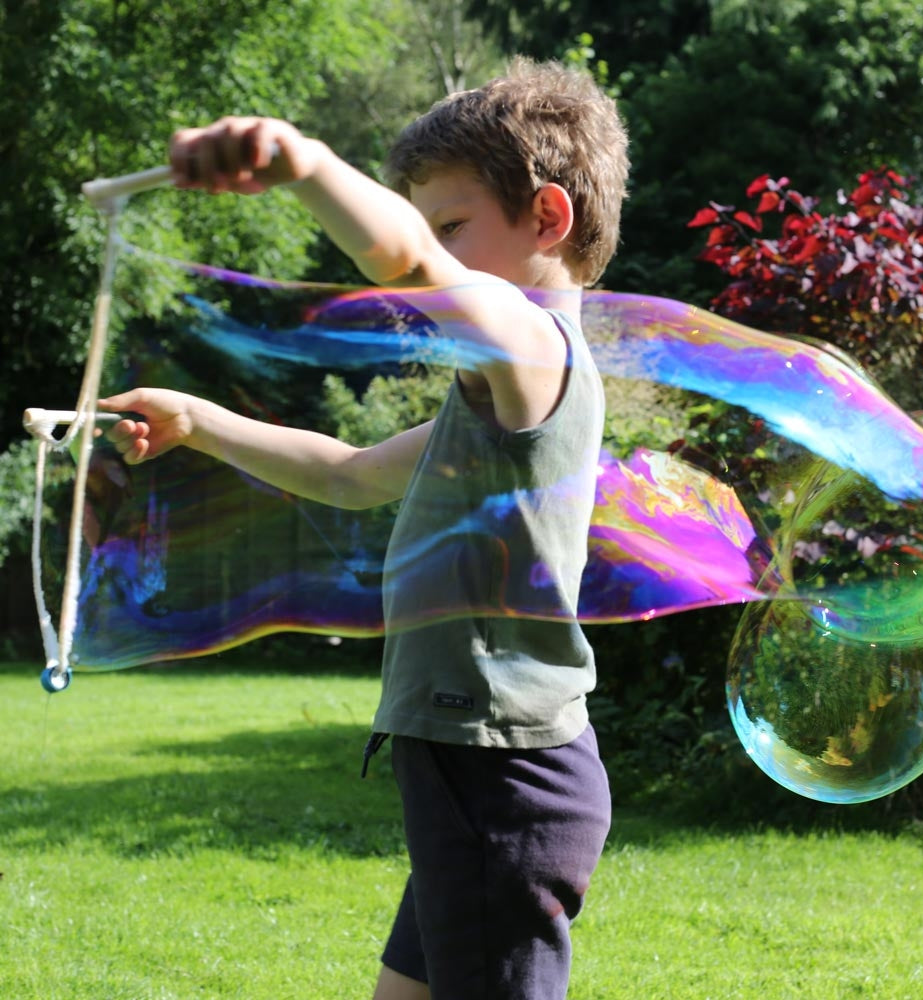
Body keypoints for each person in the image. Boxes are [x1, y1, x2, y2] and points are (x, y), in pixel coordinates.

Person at [101, 57, 629, 1000]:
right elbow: (346, 475)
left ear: (548, 218)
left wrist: (303, 163)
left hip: (501, 775)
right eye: (432, 226)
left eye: (454, 224)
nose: (435, 252)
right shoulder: (491, 410)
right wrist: (198, 421)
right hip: (480, 770)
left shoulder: (533, 349)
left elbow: (409, 265)